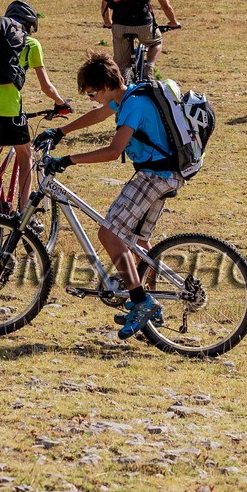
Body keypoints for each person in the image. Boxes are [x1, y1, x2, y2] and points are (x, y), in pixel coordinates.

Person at [38, 50, 180, 340]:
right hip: (164, 173)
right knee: (140, 244)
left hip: (155, 175)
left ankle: (141, 302)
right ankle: (153, 312)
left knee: (109, 235)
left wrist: (67, 160)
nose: (93, 99)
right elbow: (99, 113)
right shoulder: (126, 97)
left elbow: (114, 151)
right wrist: (61, 131)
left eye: (92, 94)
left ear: (103, 87)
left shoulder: (134, 106)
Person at [0, 1, 70, 212]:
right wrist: (61, 104)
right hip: (9, 108)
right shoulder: (30, 44)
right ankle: (25, 214)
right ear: (28, 25)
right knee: (26, 156)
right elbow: (46, 86)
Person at [100, 0, 180, 76]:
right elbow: (165, 4)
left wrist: (108, 22)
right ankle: (149, 67)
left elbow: (104, 6)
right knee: (156, 42)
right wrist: (173, 22)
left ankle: (123, 82)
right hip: (144, 25)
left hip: (119, 26)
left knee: (121, 66)